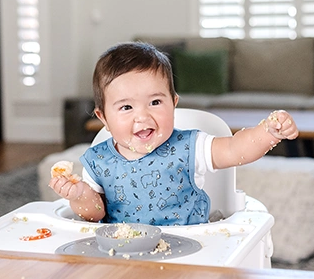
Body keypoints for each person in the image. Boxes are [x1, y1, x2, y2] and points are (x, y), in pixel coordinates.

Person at [49, 42, 299, 225]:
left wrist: (268, 131)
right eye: (126, 107)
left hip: (190, 252)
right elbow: (95, 214)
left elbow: (235, 150)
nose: (143, 116)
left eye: (155, 102)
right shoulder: (99, 161)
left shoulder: (189, 146)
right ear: (103, 118)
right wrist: (79, 195)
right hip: (125, 255)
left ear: (174, 103)